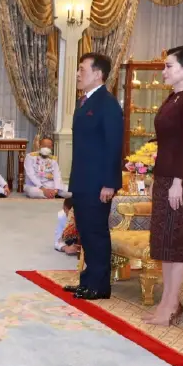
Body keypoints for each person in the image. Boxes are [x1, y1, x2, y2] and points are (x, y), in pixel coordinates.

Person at [143, 46, 183, 326]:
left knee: (176, 241)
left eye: (169, 66)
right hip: (165, 177)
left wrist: (178, 182)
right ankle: (167, 301)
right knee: (164, 241)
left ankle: (171, 304)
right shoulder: (174, 97)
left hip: (179, 179)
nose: (163, 71)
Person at [64, 52, 124, 301]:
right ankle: (88, 280)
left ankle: (100, 286)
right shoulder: (85, 101)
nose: (78, 74)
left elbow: (113, 145)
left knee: (96, 233)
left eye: (82, 69)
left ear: (98, 74)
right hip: (83, 180)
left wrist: (110, 182)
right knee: (86, 232)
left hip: (98, 182)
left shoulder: (107, 103)